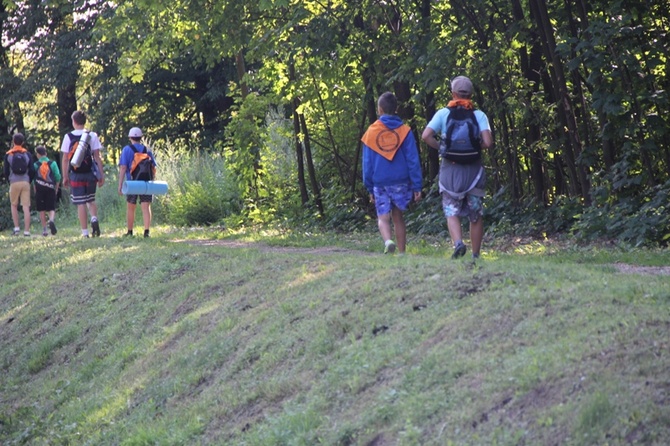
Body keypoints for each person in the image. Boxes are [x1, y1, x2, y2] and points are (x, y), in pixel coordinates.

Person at [421, 76, 493, 259]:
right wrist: (476, 148)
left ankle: (459, 243)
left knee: (451, 209)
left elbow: (426, 136)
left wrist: (442, 149)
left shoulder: (443, 114)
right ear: (471, 95)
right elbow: (488, 141)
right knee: (475, 212)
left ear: (453, 93)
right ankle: (476, 255)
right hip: (474, 170)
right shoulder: (479, 115)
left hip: (450, 170)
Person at [362, 92, 422, 254]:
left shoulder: (371, 132)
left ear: (380, 109)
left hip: (380, 182)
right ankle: (402, 252)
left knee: (383, 217)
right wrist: (417, 186)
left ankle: (388, 241)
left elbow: (367, 164)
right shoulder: (405, 131)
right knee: (398, 217)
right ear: (396, 109)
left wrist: (369, 187)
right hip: (401, 181)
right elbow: (413, 160)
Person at [60, 110, 105, 237]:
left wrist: (65, 176)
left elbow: (65, 159)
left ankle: (85, 232)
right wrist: (101, 175)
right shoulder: (92, 135)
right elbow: (97, 157)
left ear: (74, 122)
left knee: (80, 203)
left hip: (76, 174)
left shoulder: (68, 137)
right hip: (90, 173)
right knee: (91, 199)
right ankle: (94, 218)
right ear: (84, 122)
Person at [117, 127, 157, 238]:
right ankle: (147, 231)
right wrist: (152, 181)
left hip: (132, 183)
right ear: (140, 137)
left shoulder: (126, 150)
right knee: (146, 206)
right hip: (145, 182)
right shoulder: (147, 150)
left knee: (131, 207)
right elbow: (153, 167)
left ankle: (130, 232)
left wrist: (120, 184)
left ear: (130, 137)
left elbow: (123, 167)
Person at [3, 133, 34, 236]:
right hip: (25, 181)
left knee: (14, 205)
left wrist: (9, 180)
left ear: (13, 141)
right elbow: (32, 170)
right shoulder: (27, 154)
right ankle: (27, 231)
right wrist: (28, 180)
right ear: (23, 142)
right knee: (26, 206)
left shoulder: (8, 154)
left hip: (14, 182)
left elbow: (6, 171)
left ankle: (16, 229)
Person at [33, 145, 62, 236]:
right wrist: (56, 188)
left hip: (40, 189)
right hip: (50, 188)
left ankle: (45, 229)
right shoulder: (52, 163)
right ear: (45, 153)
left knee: (41, 209)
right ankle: (51, 220)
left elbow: (33, 179)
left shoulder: (35, 165)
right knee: (51, 208)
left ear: (37, 154)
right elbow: (57, 177)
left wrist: (35, 190)